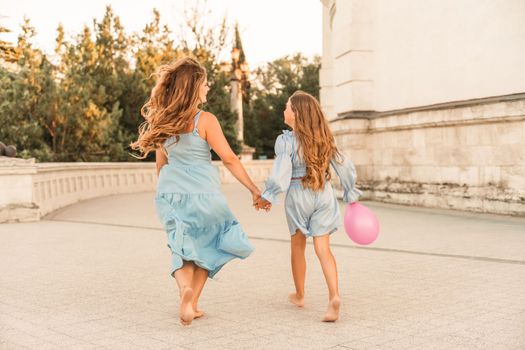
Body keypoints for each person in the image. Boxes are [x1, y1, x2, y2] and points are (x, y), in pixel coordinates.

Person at [131, 57, 259, 326]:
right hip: (205, 194)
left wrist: (166, 193)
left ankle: (184, 294)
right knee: (210, 245)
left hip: (170, 193)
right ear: (193, 87)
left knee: (180, 247)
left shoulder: (161, 120)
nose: (208, 87)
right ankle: (191, 302)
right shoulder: (205, 120)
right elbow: (230, 159)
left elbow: (160, 164)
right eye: (204, 83)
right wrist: (253, 189)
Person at [255, 90, 361, 322]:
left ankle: (300, 295)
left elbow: (281, 172)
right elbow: (344, 167)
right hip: (324, 193)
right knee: (323, 249)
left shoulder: (286, 141)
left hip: (298, 194)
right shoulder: (324, 139)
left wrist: (268, 195)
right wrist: (350, 191)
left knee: (298, 246)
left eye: (287, 107)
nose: (284, 110)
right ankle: (334, 295)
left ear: (296, 114)